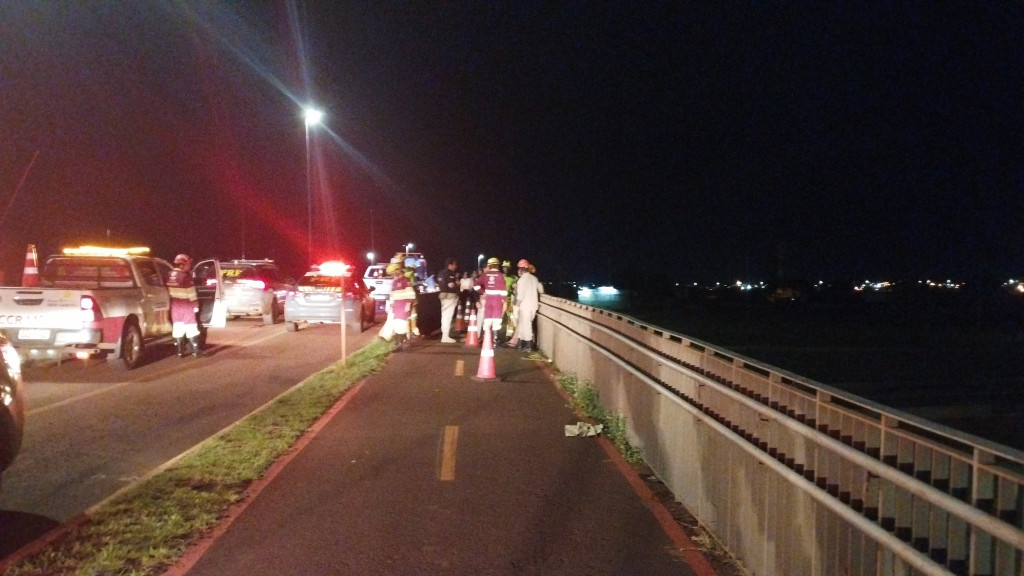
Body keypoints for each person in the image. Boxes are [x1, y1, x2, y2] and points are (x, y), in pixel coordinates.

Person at [166, 254, 204, 358]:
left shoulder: (169, 275)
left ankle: (179, 352)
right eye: (188, 264)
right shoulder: (185, 277)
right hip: (186, 306)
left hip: (175, 306)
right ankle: (196, 351)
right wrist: (196, 305)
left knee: (178, 327)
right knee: (191, 328)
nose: (189, 266)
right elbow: (191, 293)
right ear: (182, 265)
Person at [378, 262, 417, 350]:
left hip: (403, 307)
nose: (392, 275)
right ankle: (400, 343)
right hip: (397, 307)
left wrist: (408, 304)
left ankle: (402, 343)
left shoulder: (405, 280)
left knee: (401, 325)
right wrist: (391, 306)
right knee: (397, 325)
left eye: (393, 273)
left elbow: (411, 294)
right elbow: (393, 296)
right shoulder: (395, 282)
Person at [508, 259, 543, 352]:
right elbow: (541, 290)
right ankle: (521, 343)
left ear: (522, 269)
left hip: (524, 306)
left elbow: (520, 295)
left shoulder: (522, 280)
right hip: (533, 306)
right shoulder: (534, 278)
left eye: (519, 268)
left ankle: (528, 345)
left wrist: (516, 307)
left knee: (526, 325)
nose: (518, 270)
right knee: (524, 324)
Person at [474, 257, 507, 347]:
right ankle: (495, 342)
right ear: (497, 265)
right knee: (497, 320)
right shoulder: (500, 276)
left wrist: (483, 292)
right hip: (497, 300)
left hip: (488, 299)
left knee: (487, 319)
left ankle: (486, 340)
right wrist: (505, 301)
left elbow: (475, 285)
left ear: (489, 265)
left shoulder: (485, 275)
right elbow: (503, 291)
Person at [437, 257, 460, 343]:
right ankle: (445, 336)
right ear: (450, 265)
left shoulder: (440, 273)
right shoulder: (450, 273)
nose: (456, 266)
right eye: (454, 264)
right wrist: (457, 284)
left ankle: (445, 334)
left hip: (443, 296)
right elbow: (451, 285)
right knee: (448, 316)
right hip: (450, 296)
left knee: (444, 316)